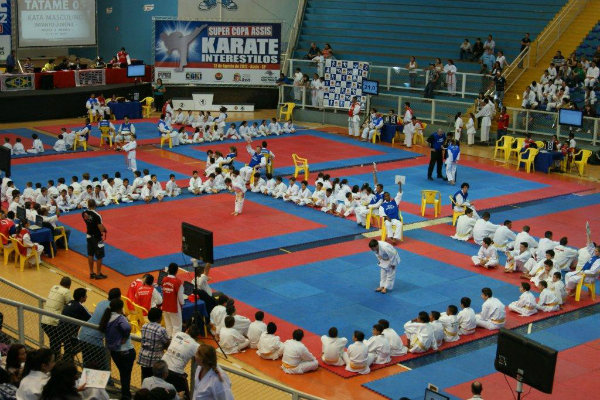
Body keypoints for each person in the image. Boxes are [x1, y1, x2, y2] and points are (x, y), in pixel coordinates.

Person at [98, 299, 135, 400]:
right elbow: (127, 328)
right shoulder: (120, 318)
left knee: (123, 373)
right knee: (126, 375)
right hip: (126, 351)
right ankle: (126, 395)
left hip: (114, 352)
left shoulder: (107, 317)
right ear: (120, 308)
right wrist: (125, 337)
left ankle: (125, 394)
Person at [78, 288, 120, 371]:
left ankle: (87, 377)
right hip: (94, 339)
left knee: (87, 364)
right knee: (103, 368)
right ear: (118, 298)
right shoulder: (113, 308)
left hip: (82, 335)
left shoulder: (101, 302)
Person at [162, 324, 201, 400]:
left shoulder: (178, 334)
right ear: (196, 337)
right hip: (175, 373)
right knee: (186, 397)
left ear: (187, 330)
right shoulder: (195, 345)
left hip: (162, 367)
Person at [40, 277, 72, 358]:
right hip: (54, 322)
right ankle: (57, 359)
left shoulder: (54, 287)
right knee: (61, 341)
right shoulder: (66, 291)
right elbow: (70, 304)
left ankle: (54, 358)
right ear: (69, 286)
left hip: (44, 320)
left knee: (54, 342)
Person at [137, 308, 170, 380]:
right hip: (155, 361)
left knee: (145, 379)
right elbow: (167, 343)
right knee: (156, 380)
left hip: (144, 358)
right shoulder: (161, 330)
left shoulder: (144, 326)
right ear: (160, 318)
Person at [59, 288, 92, 360]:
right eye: (85, 295)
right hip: (70, 334)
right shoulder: (80, 307)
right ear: (82, 298)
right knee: (84, 344)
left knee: (68, 347)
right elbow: (91, 319)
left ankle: (68, 357)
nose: (86, 297)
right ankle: (68, 357)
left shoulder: (70, 302)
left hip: (60, 331)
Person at [81, 200, 107, 280]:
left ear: (88, 205)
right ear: (95, 205)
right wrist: (105, 229)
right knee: (100, 255)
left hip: (89, 236)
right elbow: (100, 228)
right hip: (97, 237)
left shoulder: (84, 213)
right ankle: (98, 274)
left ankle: (91, 273)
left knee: (90, 254)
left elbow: (89, 220)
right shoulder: (97, 215)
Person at [161, 263, 185, 338]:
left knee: (168, 326)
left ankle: (169, 340)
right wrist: (182, 303)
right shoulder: (177, 282)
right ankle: (175, 342)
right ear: (176, 271)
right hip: (174, 307)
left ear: (168, 270)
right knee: (177, 327)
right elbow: (180, 297)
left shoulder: (164, 279)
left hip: (165, 306)